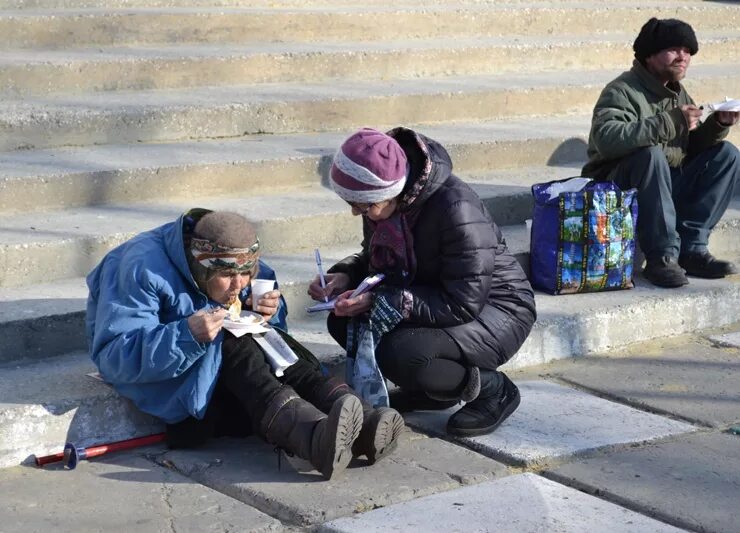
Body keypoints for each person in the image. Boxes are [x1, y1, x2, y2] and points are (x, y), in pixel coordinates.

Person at [86, 208, 403, 480]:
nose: (239, 285)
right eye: (227, 277)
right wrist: (186, 334)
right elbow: (114, 357)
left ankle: (362, 423)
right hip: (177, 387)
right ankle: (312, 437)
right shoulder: (139, 267)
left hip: (232, 372)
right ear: (200, 266)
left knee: (267, 340)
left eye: (246, 275)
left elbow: (268, 317)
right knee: (234, 345)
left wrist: (269, 310)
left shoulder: (240, 259)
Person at [308, 128, 536, 437]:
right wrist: (346, 275)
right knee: (345, 322)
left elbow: (463, 302)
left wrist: (381, 301)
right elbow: (376, 261)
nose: (356, 212)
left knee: (402, 353)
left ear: (393, 190)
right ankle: (433, 391)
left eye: (363, 206)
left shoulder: (456, 209)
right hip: (432, 296)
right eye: (353, 203)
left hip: (497, 309)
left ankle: (494, 390)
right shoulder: (383, 202)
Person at [582, 17, 739, 288]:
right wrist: (669, 122)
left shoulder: (676, 92)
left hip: (660, 185)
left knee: (726, 154)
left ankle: (691, 249)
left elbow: (688, 148)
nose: (683, 57)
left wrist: (717, 124)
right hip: (620, 189)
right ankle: (661, 258)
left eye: (688, 51)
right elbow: (607, 139)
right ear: (649, 55)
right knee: (651, 155)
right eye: (675, 49)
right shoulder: (622, 90)